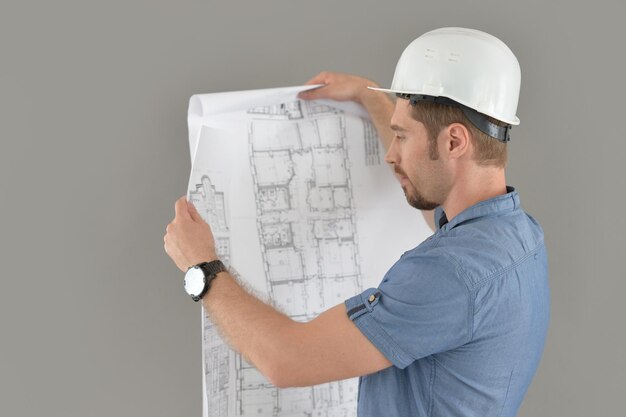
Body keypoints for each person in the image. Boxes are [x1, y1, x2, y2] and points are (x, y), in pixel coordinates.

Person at [164, 27, 550, 417]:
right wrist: (370, 95)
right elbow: (441, 221)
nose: (390, 155)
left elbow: (287, 359)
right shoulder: (516, 236)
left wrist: (202, 267)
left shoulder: (448, 275)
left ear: (454, 142)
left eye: (402, 136)